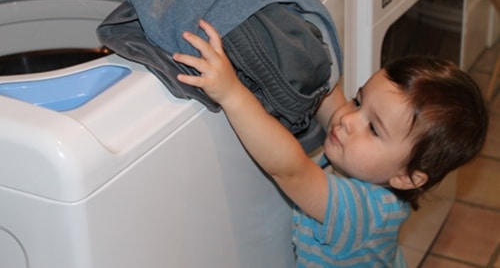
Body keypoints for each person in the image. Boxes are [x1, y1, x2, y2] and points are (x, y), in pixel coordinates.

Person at [173, 20, 489, 267]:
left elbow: (291, 170)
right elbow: (326, 95)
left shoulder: (364, 210)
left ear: (407, 177)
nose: (348, 120)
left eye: (374, 129)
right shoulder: (366, 162)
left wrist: (231, 94)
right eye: (358, 101)